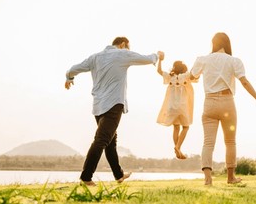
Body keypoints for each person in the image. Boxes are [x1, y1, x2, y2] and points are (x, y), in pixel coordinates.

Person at [65, 36, 164, 186]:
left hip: (98, 106)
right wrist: (158, 55)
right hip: (113, 104)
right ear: (123, 44)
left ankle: (118, 175)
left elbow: (73, 69)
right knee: (102, 140)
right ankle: (86, 177)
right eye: (128, 48)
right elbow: (145, 59)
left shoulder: (95, 57)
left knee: (110, 141)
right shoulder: (122, 54)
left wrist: (69, 78)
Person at [189, 32, 256, 186]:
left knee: (208, 143)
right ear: (227, 44)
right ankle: (231, 178)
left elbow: (191, 76)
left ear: (213, 44)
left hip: (209, 102)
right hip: (227, 102)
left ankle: (208, 179)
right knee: (230, 142)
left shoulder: (203, 60)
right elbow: (244, 82)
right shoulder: (233, 61)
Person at [155, 59, 199, 160]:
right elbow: (195, 74)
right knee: (186, 127)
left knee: (176, 128)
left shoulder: (170, 77)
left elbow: (159, 71)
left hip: (172, 107)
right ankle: (178, 147)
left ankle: (178, 151)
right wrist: (197, 63)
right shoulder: (186, 76)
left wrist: (160, 60)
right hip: (183, 107)